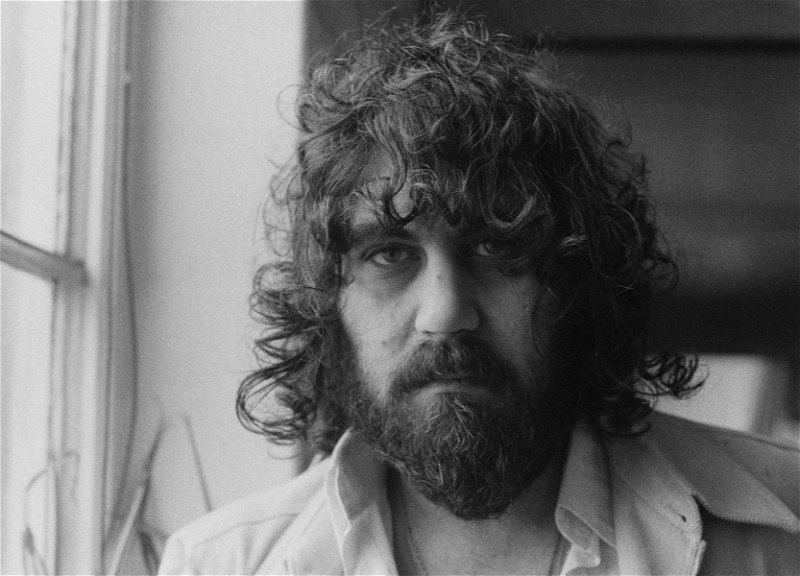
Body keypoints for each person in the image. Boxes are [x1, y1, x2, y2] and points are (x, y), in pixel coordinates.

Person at [159, 12, 799, 575]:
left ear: (578, 280)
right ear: (327, 305)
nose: (445, 313)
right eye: (389, 254)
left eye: (496, 248)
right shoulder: (217, 564)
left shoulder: (783, 530)